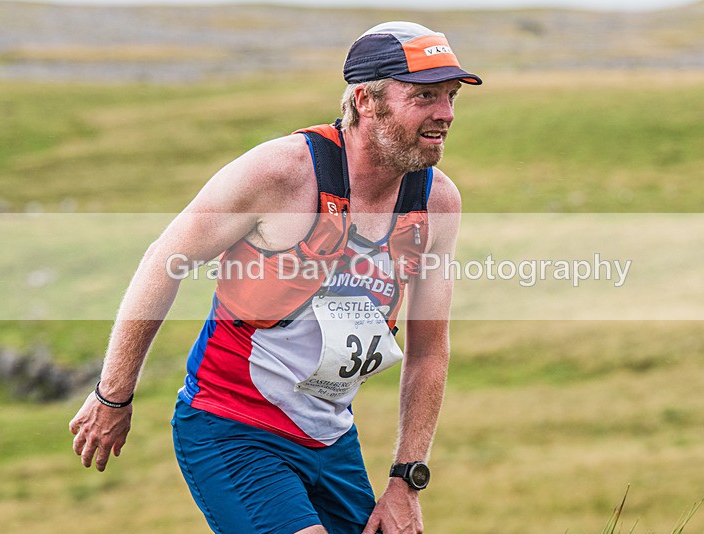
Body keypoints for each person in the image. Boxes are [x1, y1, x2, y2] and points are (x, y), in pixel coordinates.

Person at [69, 21, 481, 534]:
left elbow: (428, 350)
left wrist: (405, 481)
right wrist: (114, 394)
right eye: (424, 97)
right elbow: (164, 261)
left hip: (332, 440)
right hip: (231, 425)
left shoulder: (437, 203)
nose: (445, 113)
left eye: (450, 96)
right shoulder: (280, 174)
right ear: (366, 101)